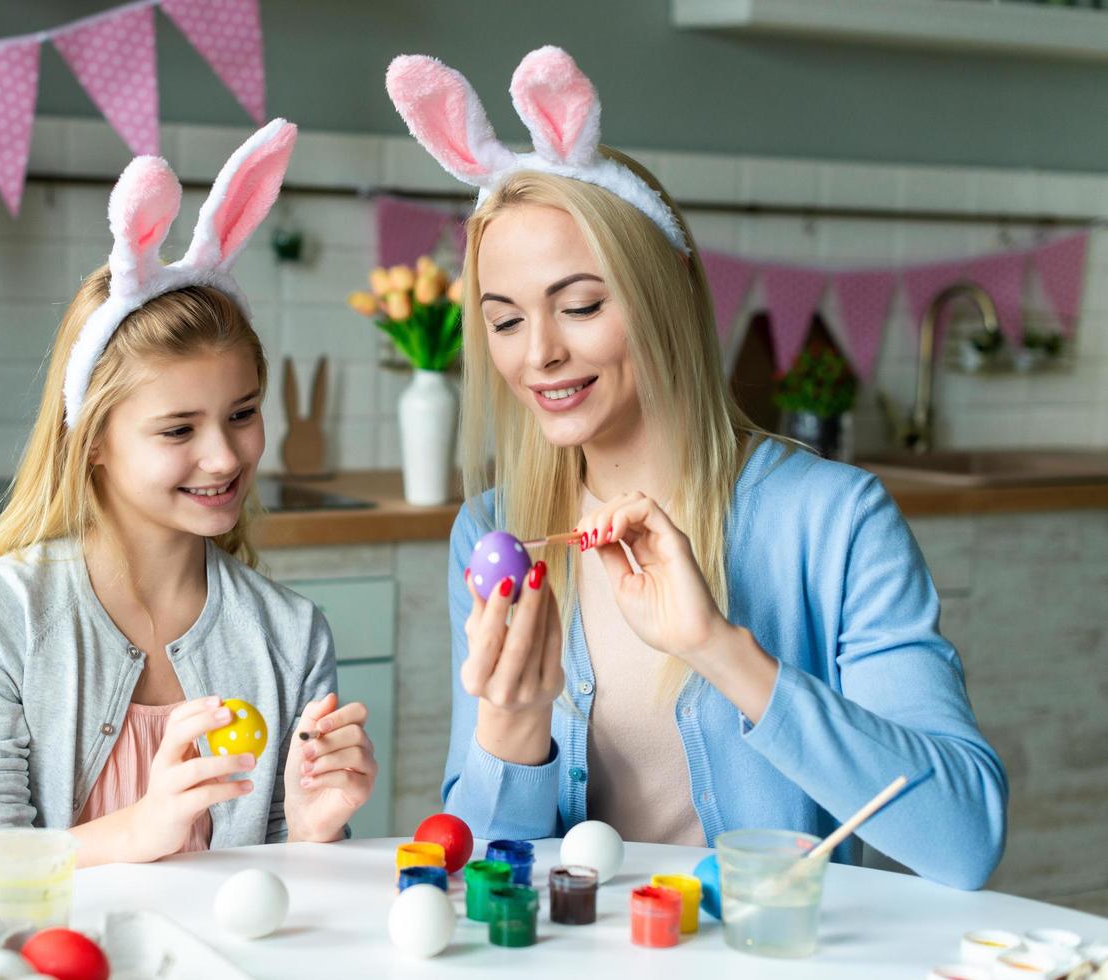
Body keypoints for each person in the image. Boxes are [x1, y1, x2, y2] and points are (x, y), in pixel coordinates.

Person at [387, 47, 1005, 889]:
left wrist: (718, 649)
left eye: (580, 306)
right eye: (503, 321)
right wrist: (510, 725)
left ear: (665, 290)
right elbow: (476, 873)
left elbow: (964, 843)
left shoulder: (832, 519)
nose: (540, 354)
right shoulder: (496, 532)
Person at [0, 120, 377, 907]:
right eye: (177, 430)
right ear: (93, 441)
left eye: (241, 413)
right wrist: (136, 832)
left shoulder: (290, 636)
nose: (225, 457)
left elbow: (290, 913)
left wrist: (313, 834)